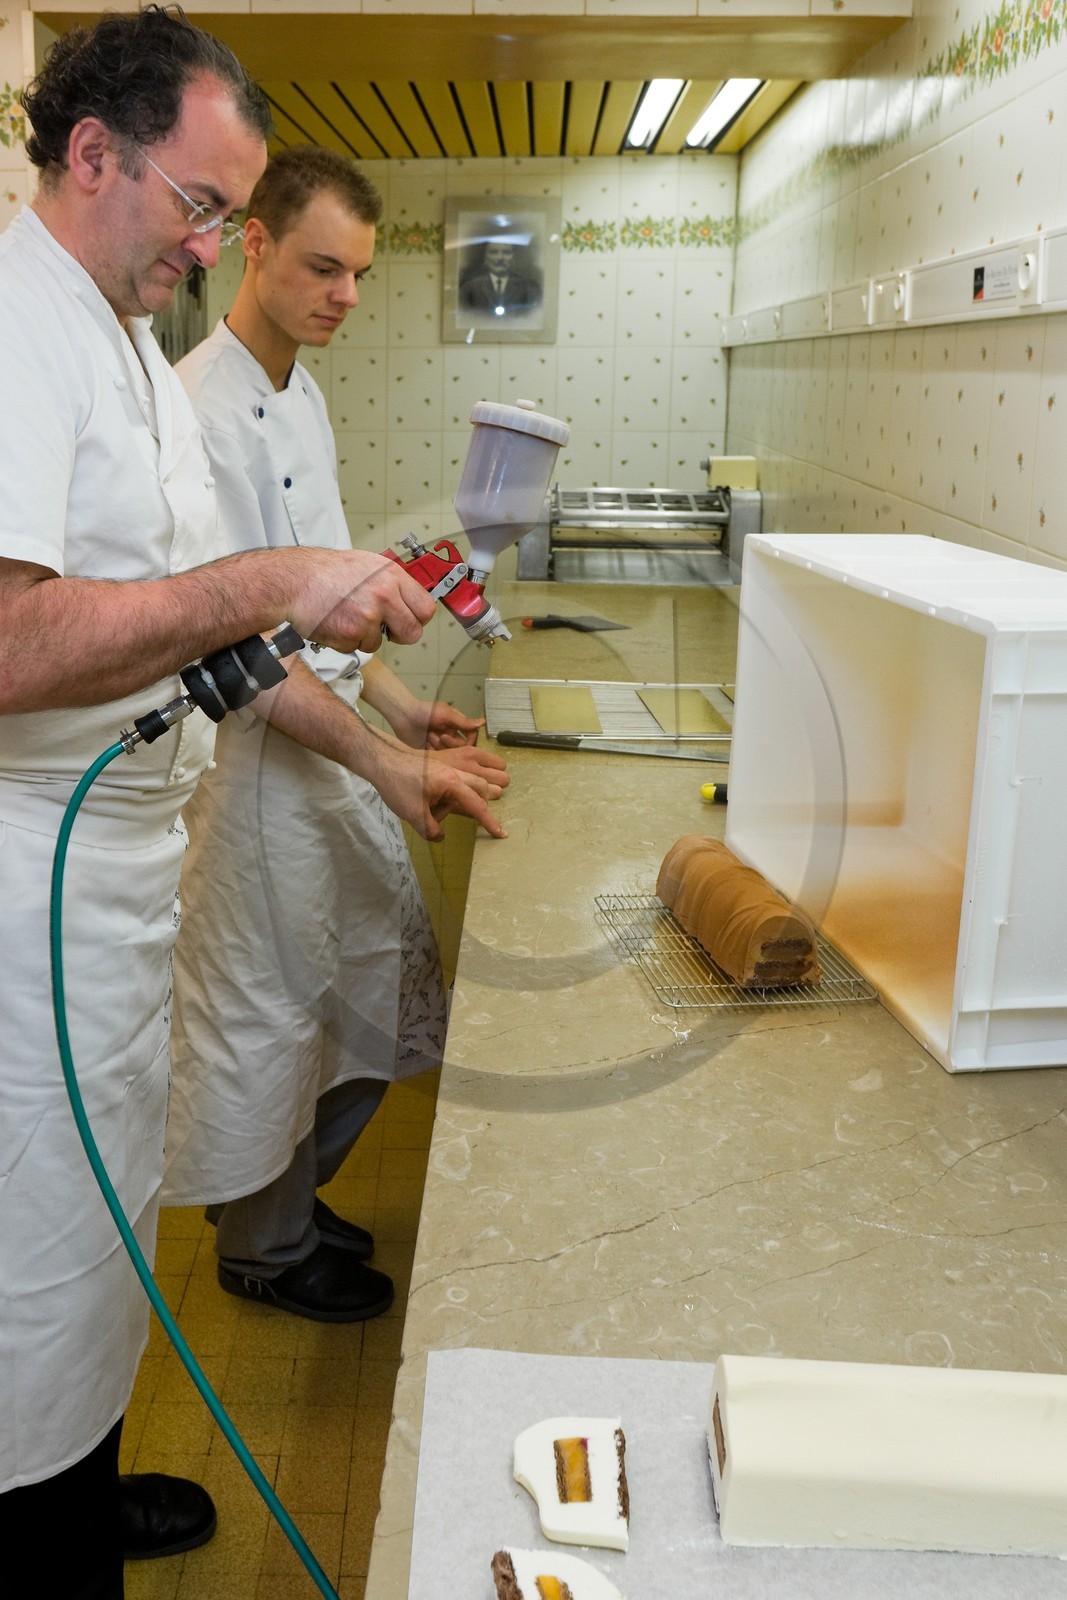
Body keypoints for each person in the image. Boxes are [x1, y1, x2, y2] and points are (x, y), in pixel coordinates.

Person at [0, 10, 501, 1596]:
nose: (212, 243)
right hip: (32, 895)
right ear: (94, 153)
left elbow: (185, 615)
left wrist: (336, 662)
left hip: (127, 877)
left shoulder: (124, 342)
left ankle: (83, 1472)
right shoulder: (15, 325)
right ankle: (36, 1526)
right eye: (204, 207)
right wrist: (270, 586)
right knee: (30, 1255)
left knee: (100, 1233)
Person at [162, 146, 509, 1322]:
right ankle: (262, 1243)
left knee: (360, 978)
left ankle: (282, 1201)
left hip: (323, 756)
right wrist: (385, 759)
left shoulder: (298, 387)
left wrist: (405, 708)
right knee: (272, 1011)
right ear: (251, 243)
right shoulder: (201, 411)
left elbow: (326, 606)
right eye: (322, 267)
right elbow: (240, 650)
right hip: (256, 774)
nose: (344, 297)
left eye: (358, 274)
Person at [459, 238, 541, 314]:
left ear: (513, 257)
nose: (500, 258)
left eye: (506, 252)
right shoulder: (470, 288)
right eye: (494, 252)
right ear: (485, 257)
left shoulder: (528, 287)